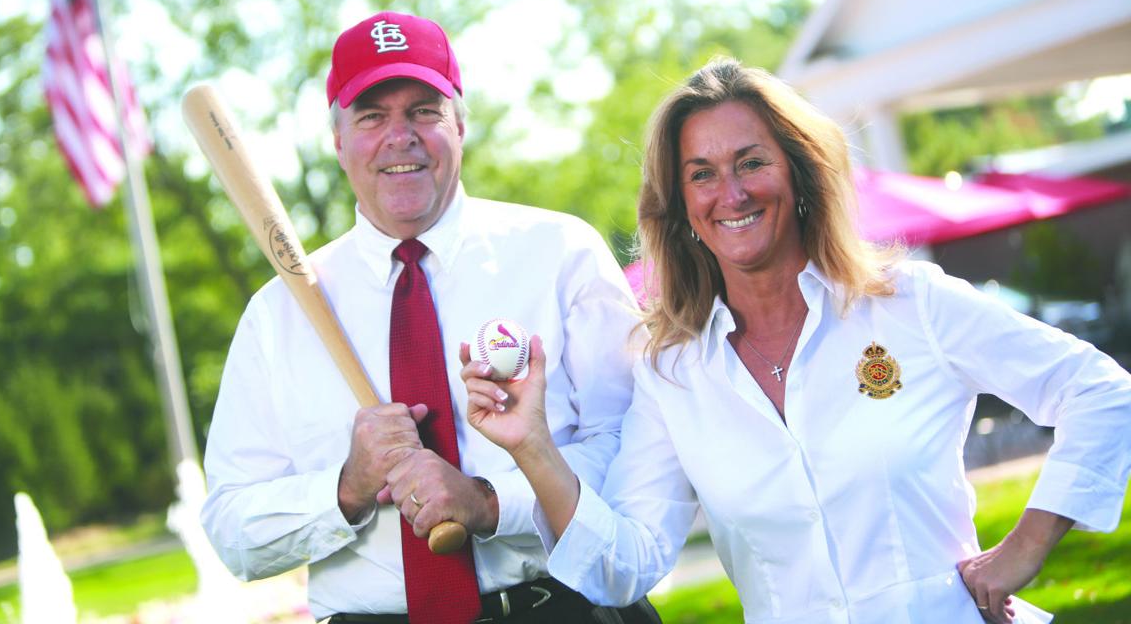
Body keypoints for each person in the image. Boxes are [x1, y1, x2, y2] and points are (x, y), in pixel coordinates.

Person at [464, 57, 1131, 624]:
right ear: (681, 206)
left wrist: (1027, 543)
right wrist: (533, 447)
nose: (730, 193)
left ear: (798, 173)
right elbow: (626, 565)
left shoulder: (909, 304)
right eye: (701, 173)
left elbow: (1102, 392)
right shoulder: (672, 375)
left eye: (750, 162)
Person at [201, 11, 661, 624]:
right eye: (371, 116)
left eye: (424, 110)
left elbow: (635, 451)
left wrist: (490, 502)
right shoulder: (276, 316)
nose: (401, 136)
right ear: (338, 142)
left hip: (558, 608)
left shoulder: (559, 253)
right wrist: (347, 487)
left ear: (461, 125)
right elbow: (232, 530)